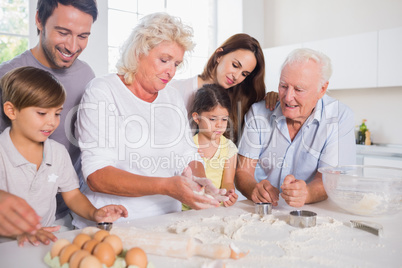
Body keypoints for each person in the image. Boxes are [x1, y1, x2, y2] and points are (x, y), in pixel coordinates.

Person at [73, 13, 228, 228]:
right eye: (164, 60)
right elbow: (97, 176)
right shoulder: (103, 91)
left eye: (176, 64)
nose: (171, 71)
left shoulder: (171, 97)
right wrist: (166, 186)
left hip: (169, 221)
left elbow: (187, 154)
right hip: (115, 222)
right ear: (138, 53)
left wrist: (200, 182)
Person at [0, 67, 128, 246]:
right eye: (42, 113)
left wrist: (95, 213)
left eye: (57, 113)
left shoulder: (57, 153)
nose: (52, 122)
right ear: (11, 111)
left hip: (43, 241)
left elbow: (73, 196)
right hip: (7, 246)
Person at [0, 0, 98, 227]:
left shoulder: (86, 76)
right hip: (11, 222)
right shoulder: (7, 77)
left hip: (62, 213)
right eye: (63, 33)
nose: (73, 46)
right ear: (39, 20)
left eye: (83, 36)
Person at [235, 48, 356, 207]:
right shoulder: (259, 112)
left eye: (298, 89)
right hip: (263, 210)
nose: (287, 97)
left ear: (322, 89)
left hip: (311, 212)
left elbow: (330, 181)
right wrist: (253, 189)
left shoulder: (339, 116)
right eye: (283, 86)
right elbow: (243, 172)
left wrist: (307, 193)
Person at [169, 33, 266, 144]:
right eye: (235, 65)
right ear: (219, 55)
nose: (237, 76)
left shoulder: (239, 101)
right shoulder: (175, 89)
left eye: (244, 74)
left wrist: (273, 97)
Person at [182, 84, 238, 210]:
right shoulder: (187, 146)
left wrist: (229, 192)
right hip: (187, 211)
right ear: (196, 118)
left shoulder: (229, 148)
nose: (219, 125)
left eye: (224, 119)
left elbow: (228, 182)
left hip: (216, 209)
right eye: (212, 119)